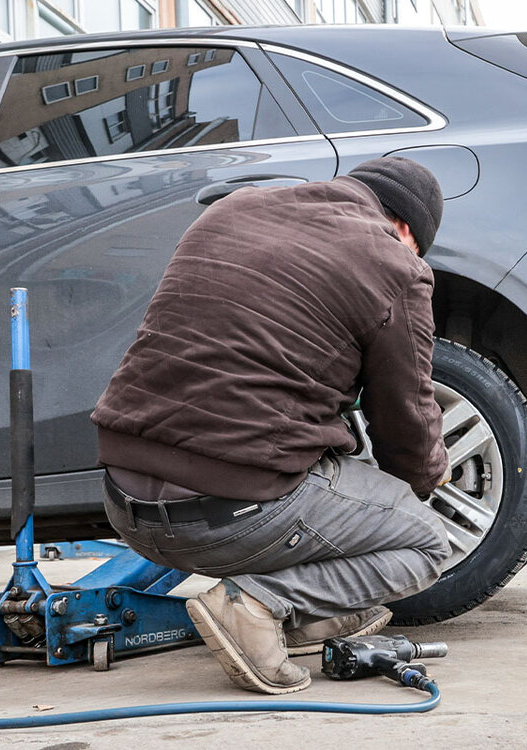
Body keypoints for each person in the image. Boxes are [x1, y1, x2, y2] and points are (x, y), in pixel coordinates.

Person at [90, 156, 452, 694]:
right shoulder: (395, 264)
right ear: (406, 229)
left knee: (327, 463)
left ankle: (302, 619)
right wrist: (422, 483)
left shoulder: (231, 211)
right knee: (425, 544)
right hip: (231, 517)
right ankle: (257, 605)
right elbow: (406, 419)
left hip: (122, 504)